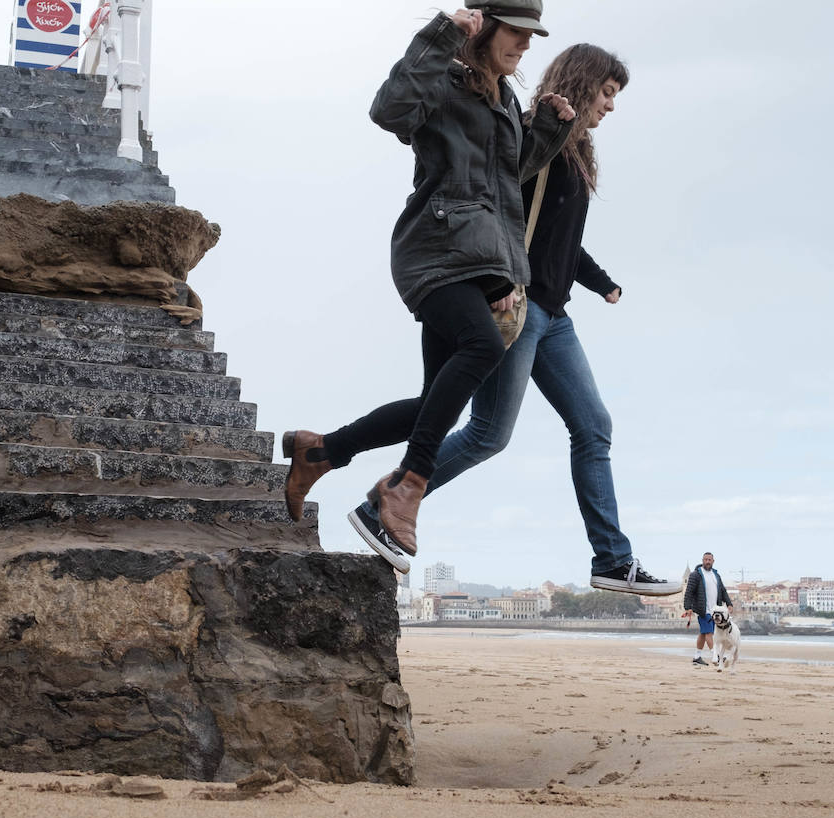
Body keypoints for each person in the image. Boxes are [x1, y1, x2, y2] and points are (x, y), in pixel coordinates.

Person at [345, 42, 677, 596]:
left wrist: (602, 283)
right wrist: (496, 283)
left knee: (594, 425)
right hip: (516, 306)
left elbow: (561, 240)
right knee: (487, 434)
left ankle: (613, 561)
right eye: (609, 93)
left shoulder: (574, 150)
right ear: (585, 80)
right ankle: (386, 502)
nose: (611, 106)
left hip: (555, 315)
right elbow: (493, 215)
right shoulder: (529, 135)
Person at [282, 2, 575, 573]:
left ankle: (321, 451)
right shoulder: (442, 75)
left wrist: (549, 129)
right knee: (482, 348)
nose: (526, 45)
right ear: (486, 26)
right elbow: (388, 111)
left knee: (433, 401)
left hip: (481, 256)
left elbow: (504, 178)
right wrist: (440, 35)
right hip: (436, 253)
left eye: (532, 35)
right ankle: (408, 485)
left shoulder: (503, 96)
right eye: (517, 32)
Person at [684, 552, 733, 666]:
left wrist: (729, 603)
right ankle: (717, 655)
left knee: (703, 633)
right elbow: (689, 592)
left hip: (715, 611)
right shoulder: (696, 575)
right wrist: (688, 607)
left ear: (713, 561)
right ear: (702, 560)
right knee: (709, 633)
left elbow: (723, 591)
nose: (707, 561)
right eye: (705, 559)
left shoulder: (716, 575)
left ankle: (697, 657)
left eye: (709, 560)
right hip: (702, 610)